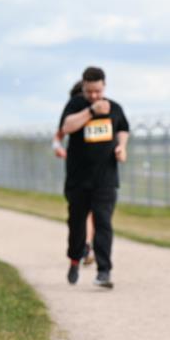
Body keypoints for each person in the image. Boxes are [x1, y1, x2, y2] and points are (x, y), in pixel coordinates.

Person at [59, 66, 129, 287]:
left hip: (105, 179)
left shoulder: (115, 108)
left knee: (103, 222)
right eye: (89, 91)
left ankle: (104, 271)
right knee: (77, 224)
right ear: (84, 87)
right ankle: (74, 258)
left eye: (97, 91)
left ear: (104, 86)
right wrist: (91, 111)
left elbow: (123, 128)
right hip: (78, 179)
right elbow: (66, 127)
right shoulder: (76, 105)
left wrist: (122, 147)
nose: (94, 96)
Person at [53, 81, 96, 265]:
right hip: (77, 170)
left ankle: (87, 246)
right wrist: (58, 148)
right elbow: (59, 135)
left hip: (97, 169)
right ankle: (83, 245)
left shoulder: (99, 111)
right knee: (81, 212)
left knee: (93, 211)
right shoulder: (73, 114)